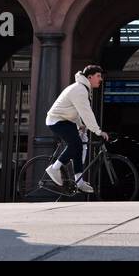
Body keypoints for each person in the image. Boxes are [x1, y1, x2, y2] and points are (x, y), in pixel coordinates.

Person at [45, 65, 109, 193]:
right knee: (75, 144)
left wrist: (80, 124)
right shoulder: (80, 90)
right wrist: (98, 131)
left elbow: (75, 110)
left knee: (78, 147)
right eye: (98, 76)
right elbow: (86, 113)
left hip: (66, 120)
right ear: (89, 77)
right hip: (56, 120)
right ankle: (54, 168)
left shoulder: (83, 88)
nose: (100, 79)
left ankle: (79, 181)